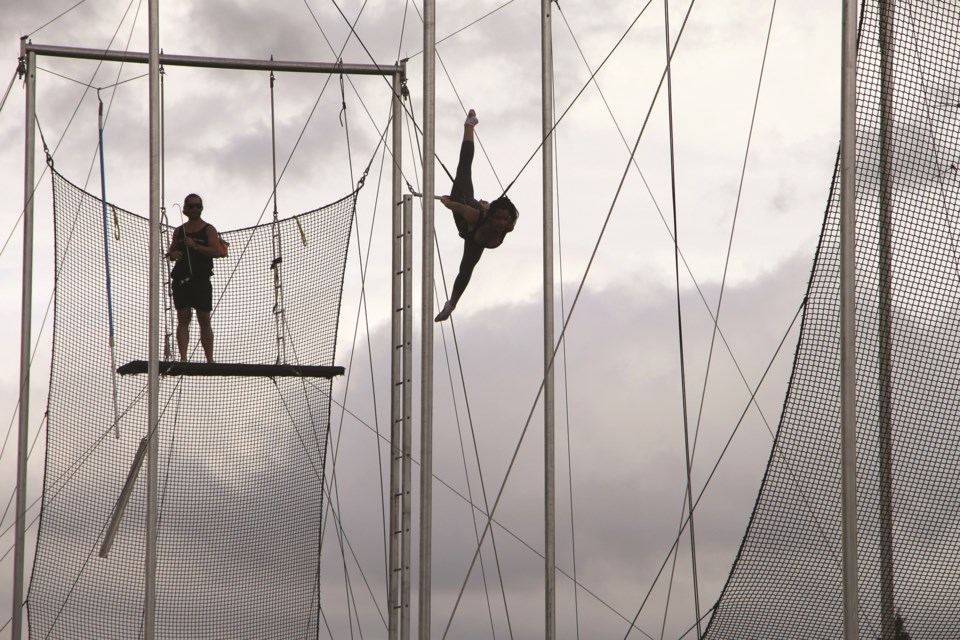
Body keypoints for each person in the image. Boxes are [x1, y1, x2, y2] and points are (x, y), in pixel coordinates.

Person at [435, 109, 518, 322]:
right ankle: (468, 126)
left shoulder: (509, 224)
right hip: (464, 216)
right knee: (463, 171)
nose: (501, 223)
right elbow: (459, 209)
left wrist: (487, 207)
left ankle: (450, 305)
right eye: (498, 218)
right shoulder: (475, 216)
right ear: (490, 216)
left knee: (466, 270)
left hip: (476, 236)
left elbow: (501, 215)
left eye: (504, 220)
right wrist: (447, 202)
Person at [167, 193, 226, 362]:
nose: (194, 209)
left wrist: (195, 245)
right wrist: (173, 253)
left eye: (197, 206)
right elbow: (172, 252)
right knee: (183, 317)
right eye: (191, 206)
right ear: (185, 208)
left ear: (201, 208)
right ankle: (183, 358)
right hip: (181, 280)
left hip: (201, 279)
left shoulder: (209, 229)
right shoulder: (179, 231)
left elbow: (215, 251)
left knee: (204, 318)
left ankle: (210, 359)